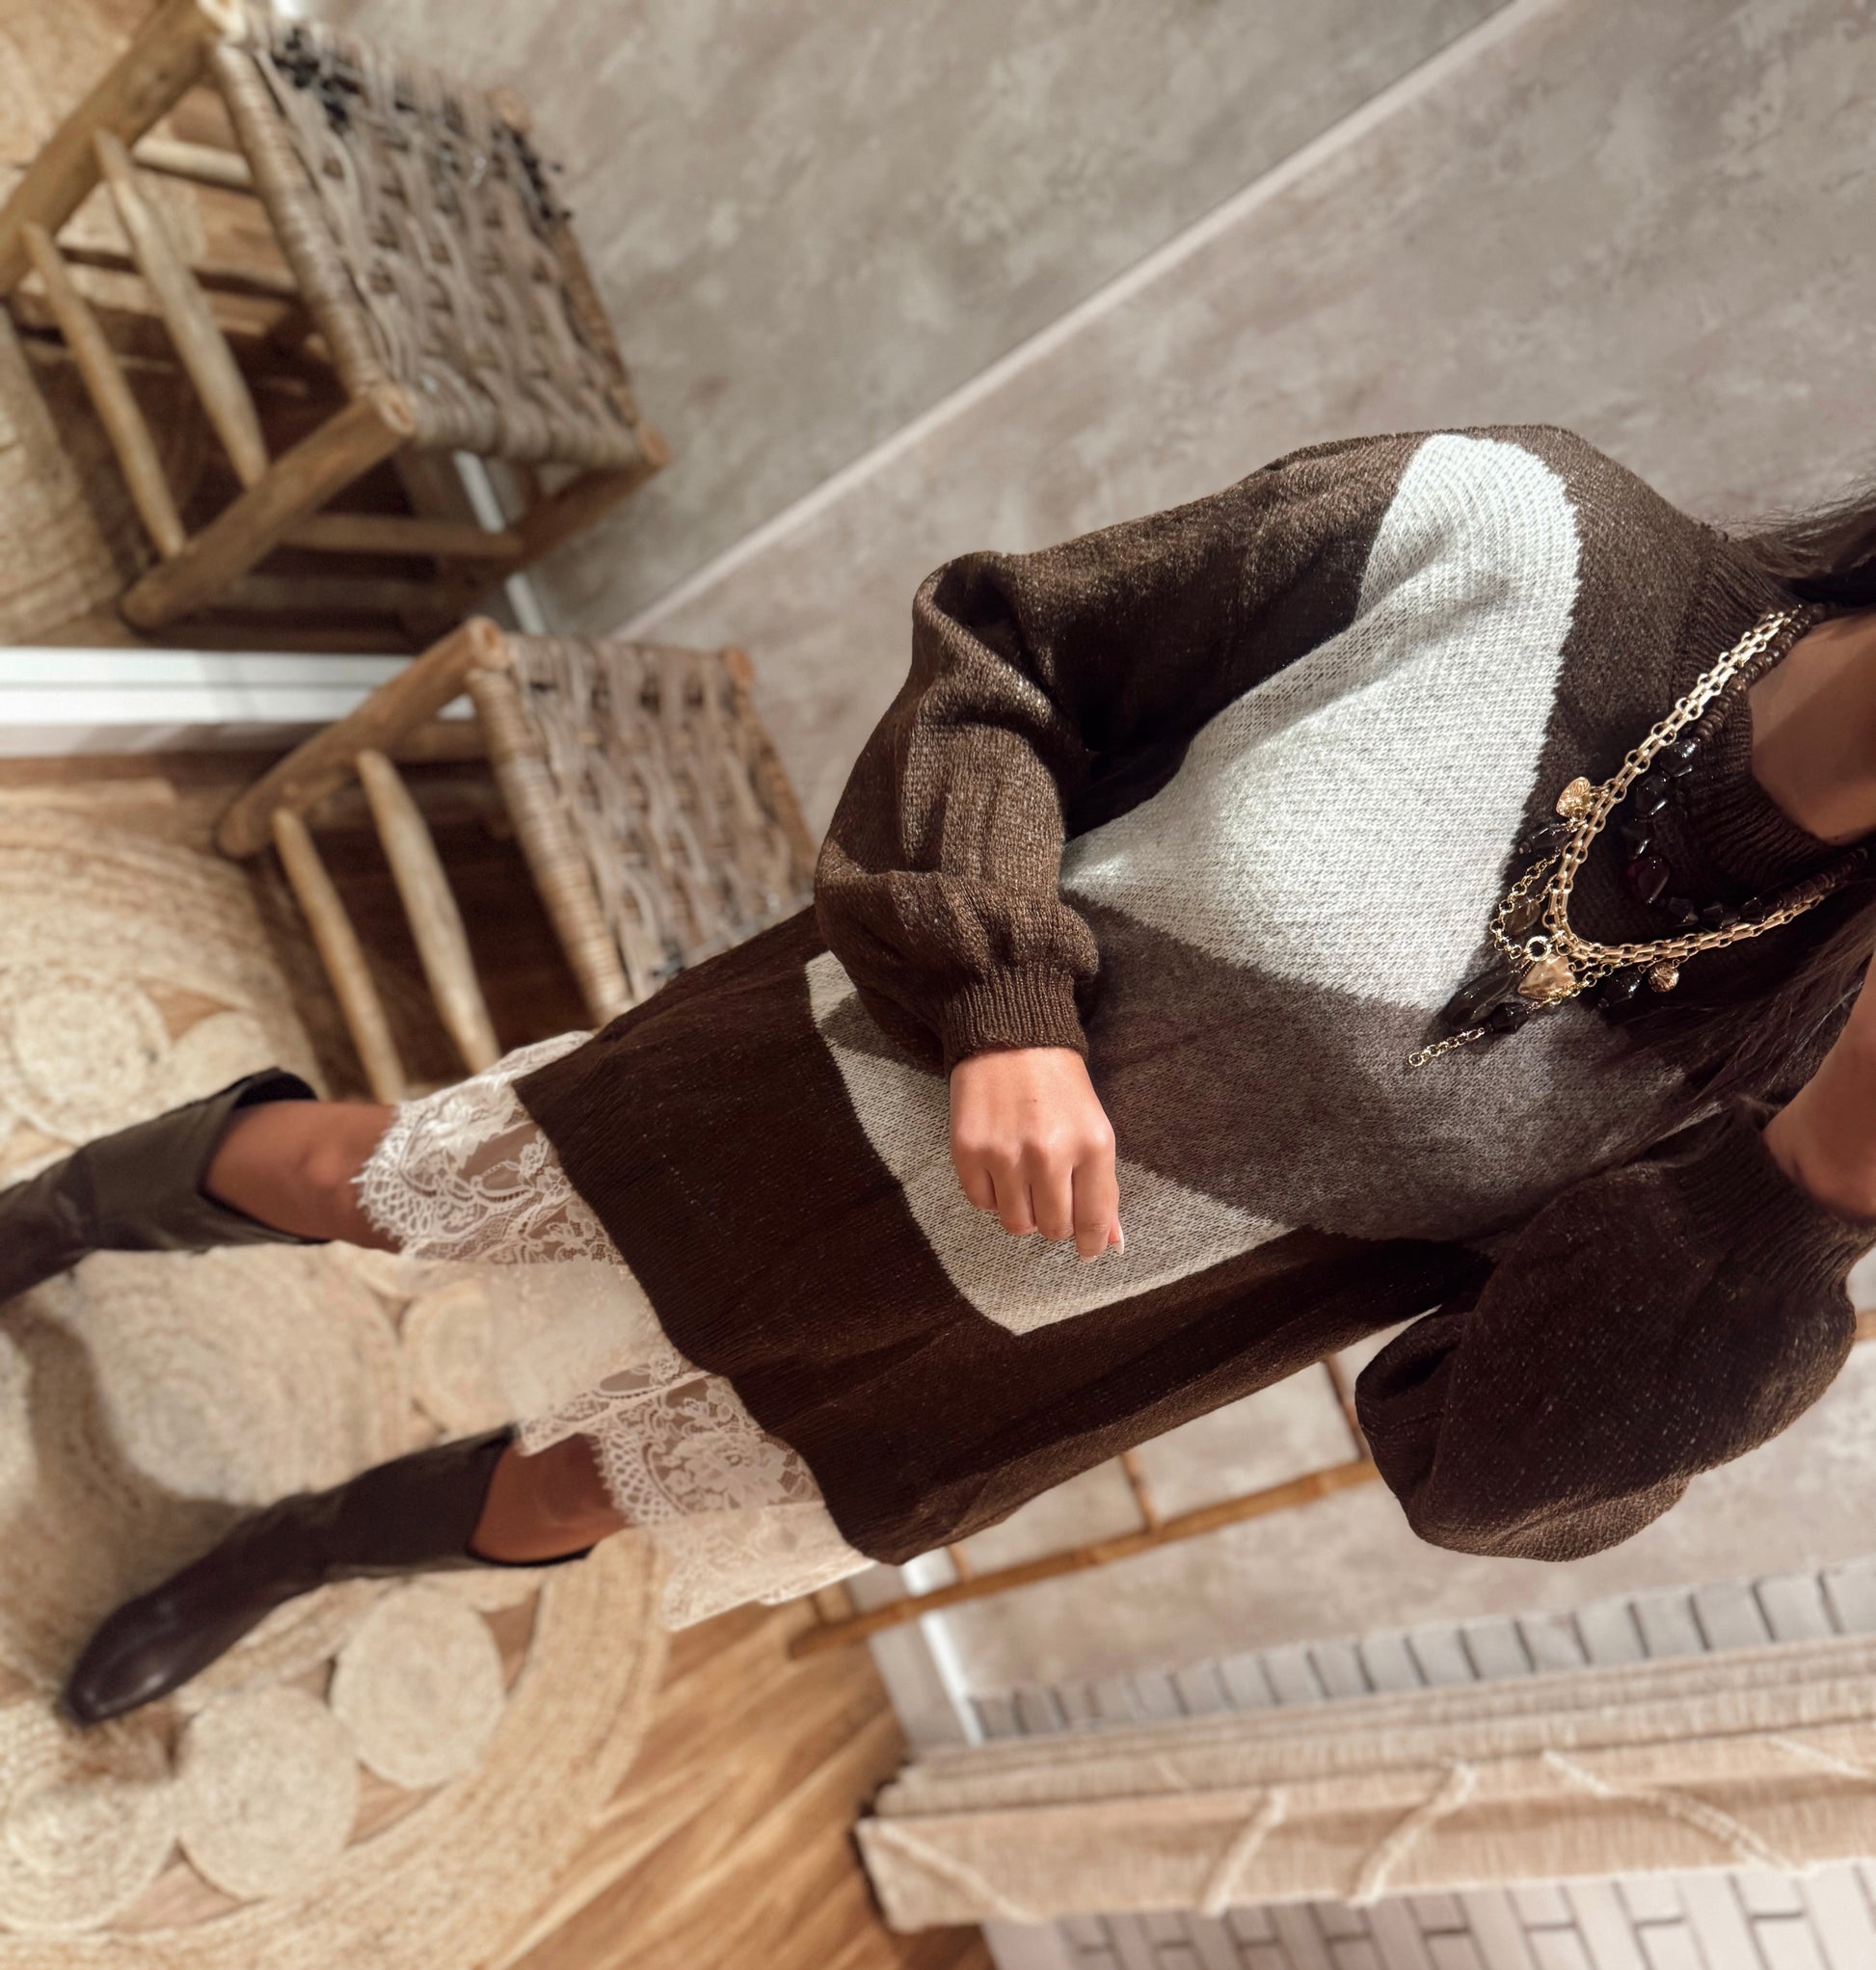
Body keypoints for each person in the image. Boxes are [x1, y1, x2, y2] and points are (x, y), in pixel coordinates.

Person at [17, 423, 1876, 1728]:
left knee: (566, 1496)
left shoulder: (1778, 1073)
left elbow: (1474, 1467)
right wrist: (1008, 1004)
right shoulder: (1522, 536)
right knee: (364, 1186)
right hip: (798, 1097)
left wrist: (1808, 1189)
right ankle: (62, 1209)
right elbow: (1012, 655)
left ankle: (288, 1554)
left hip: (1001, 1361)